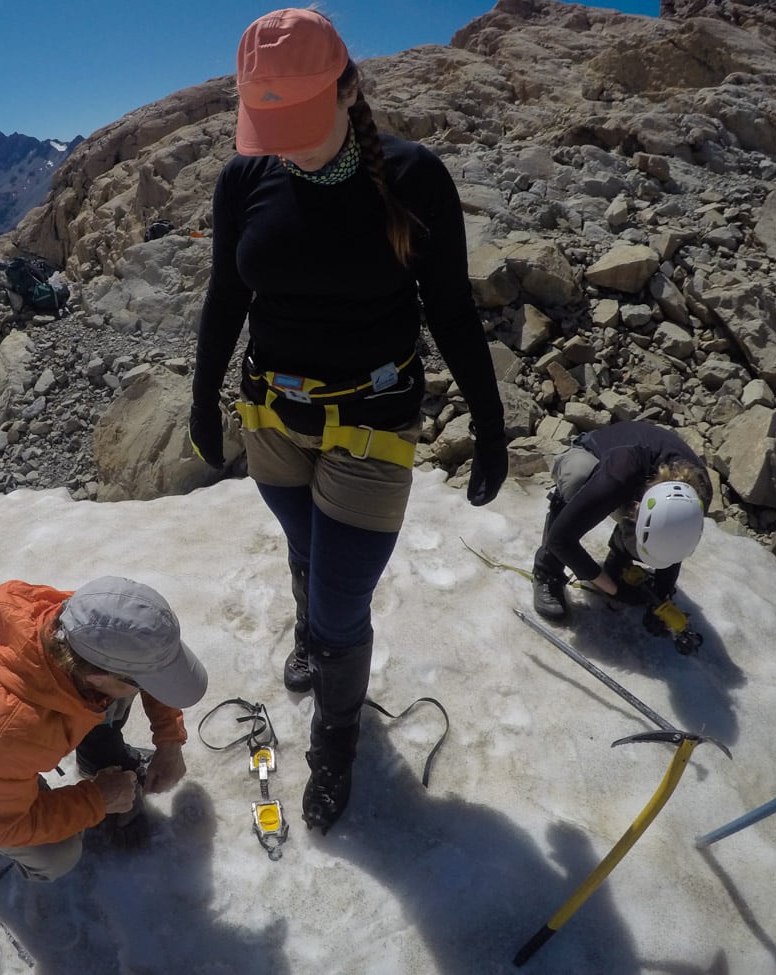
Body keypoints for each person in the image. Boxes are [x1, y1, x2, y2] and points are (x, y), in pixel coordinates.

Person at [189, 8, 507, 834]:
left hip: (373, 422)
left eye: (300, 122)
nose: (287, 145)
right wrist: (201, 396)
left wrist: (491, 417)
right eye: (273, 125)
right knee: (305, 553)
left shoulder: (413, 178)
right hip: (271, 416)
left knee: (339, 602)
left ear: (350, 88)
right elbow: (229, 294)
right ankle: (315, 643)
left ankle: (335, 737)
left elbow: (449, 309)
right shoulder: (244, 179)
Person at [0, 577, 208, 881]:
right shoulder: (11, 729)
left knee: (125, 685)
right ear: (95, 677)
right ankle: (26, 853)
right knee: (56, 854)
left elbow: (145, 667)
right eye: (144, 681)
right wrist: (96, 800)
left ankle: (98, 755)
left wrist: (170, 739)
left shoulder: (85, 623)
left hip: (9, 729)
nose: (152, 686)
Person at [532, 420, 711, 627]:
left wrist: (662, 595)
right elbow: (560, 540)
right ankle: (546, 571)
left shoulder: (698, 495)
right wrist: (615, 591)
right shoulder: (619, 474)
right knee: (577, 477)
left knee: (648, 543)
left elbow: (674, 540)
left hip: (639, 481)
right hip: (599, 455)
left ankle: (618, 560)